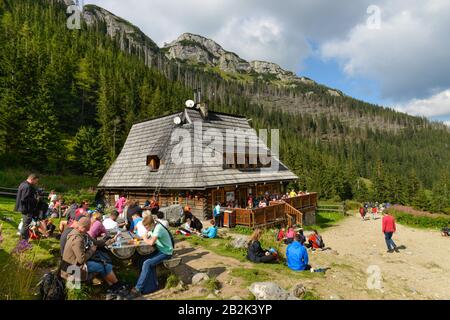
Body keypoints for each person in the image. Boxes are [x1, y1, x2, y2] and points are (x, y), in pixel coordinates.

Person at [60, 217, 125, 295]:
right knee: (103, 265)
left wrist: (112, 240)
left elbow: (96, 242)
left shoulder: (80, 233)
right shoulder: (77, 239)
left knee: (104, 264)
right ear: (83, 227)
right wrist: (91, 250)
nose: (88, 230)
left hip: (75, 263)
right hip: (73, 268)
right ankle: (116, 286)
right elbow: (81, 260)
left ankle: (114, 287)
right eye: (87, 229)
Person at [127, 215, 173, 298]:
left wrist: (144, 238)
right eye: (145, 227)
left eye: (147, 227)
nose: (146, 229)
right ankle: (150, 286)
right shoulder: (152, 227)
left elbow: (151, 242)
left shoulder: (158, 228)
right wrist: (135, 240)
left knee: (147, 263)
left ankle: (138, 289)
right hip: (160, 250)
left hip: (166, 252)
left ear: (152, 223)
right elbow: (145, 236)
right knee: (141, 260)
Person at [15, 174, 39, 240]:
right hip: (26, 208)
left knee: (25, 224)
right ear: (32, 179)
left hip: (24, 207)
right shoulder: (27, 186)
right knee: (26, 225)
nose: (36, 183)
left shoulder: (23, 184)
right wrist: (35, 199)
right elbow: (24, 199)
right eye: (36, 181)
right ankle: (24, 241)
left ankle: (23, 238)